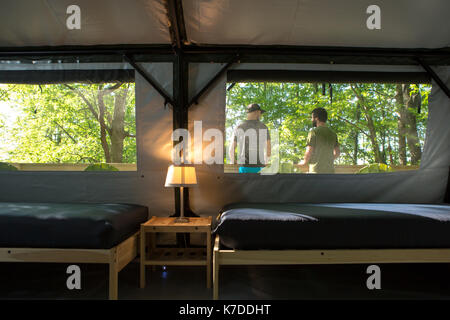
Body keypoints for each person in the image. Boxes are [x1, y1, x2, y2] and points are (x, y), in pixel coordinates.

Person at [229, 103, 271, 173]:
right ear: (257, 112)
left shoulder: (239, 127)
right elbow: (268, 148)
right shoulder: (263, 127)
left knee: (244, 184)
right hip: (259, 167)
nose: (260, 115)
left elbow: (231, 149)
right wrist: (266, 161)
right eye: (260, 113)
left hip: (244, 167)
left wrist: (234, 161)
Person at [300, 107, 340, 174]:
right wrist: (327, 160)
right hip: (330, 172)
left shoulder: (313, 132)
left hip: (316, 171)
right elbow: (337, 153)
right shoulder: (333, 133)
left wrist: (303, 162)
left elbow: (309, 151)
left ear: (316, 118)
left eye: (312, 118)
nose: (312, 120)